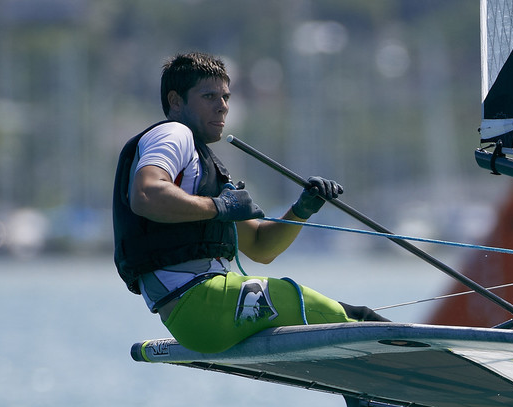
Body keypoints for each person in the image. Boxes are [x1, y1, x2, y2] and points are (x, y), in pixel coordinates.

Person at [112, 52, 381, 353]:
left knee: (339, 318)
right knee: (359, 319)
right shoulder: (174, 134)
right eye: (209, 95)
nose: (223, 105)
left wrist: (303, 208)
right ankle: (418, 361)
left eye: (226, 96)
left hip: (206, 312)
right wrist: (220, 207)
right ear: (176, 101)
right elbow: (147, 193)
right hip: (200, 304)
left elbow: (261, 247)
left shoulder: (198, 170)